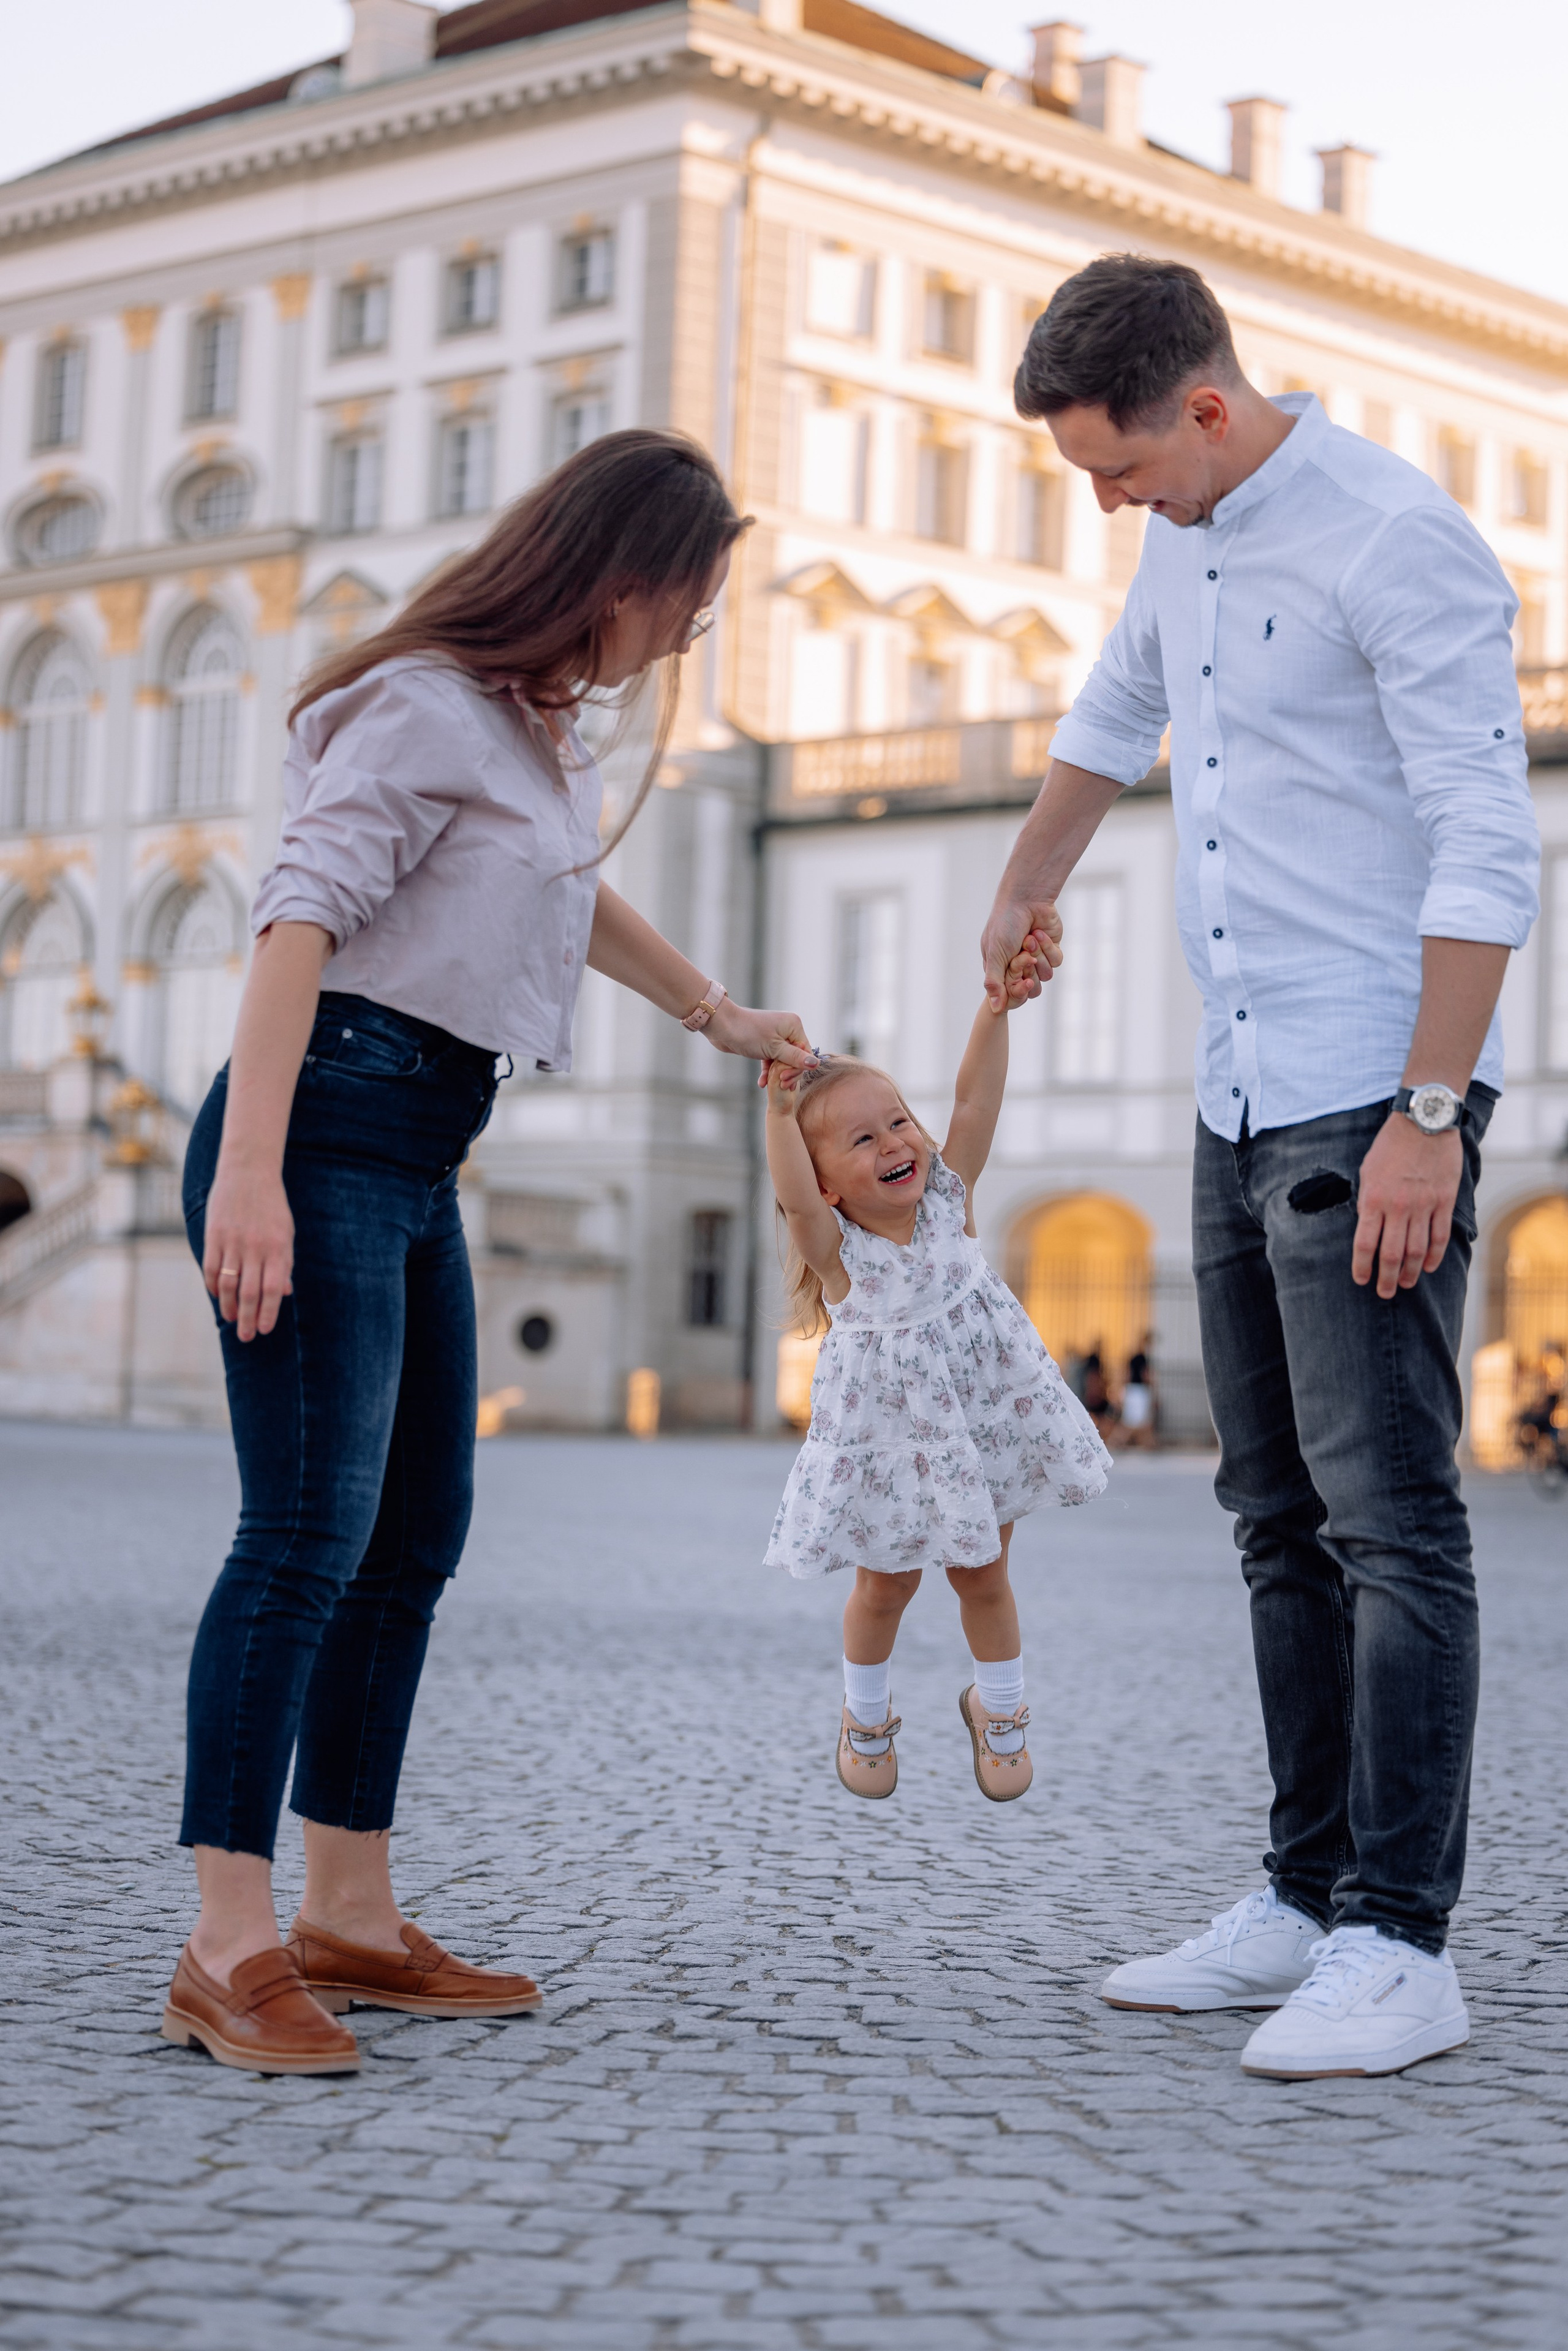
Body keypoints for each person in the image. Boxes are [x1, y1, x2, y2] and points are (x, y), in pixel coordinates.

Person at [165, 429, 813, 2077]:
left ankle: (349, 1911)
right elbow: (294, 921)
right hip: (314, 1133)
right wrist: (250, 1172)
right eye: (690, 602)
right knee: (304, 1534)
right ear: (621, 580)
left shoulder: (530, 729)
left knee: (413, 1538)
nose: (690, 637)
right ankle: (226, 1943)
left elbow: (569, 896)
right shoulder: (424, 705)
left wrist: (717, 1013)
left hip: (417, 1148)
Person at [982, 255, 1539, 2078]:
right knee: (1271, 1513)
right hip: (1233, 1095)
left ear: (1204, 409)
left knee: (1394, 1521)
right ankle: (1301, 1899)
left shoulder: (1403, 543)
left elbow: (1484, 842)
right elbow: (1108, 710)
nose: (1106, 503)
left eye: (1117, 471)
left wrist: (1430, 1115)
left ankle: (1403, 1935)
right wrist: (1025, 884)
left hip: (1370, 1090)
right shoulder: (1180, 537)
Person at [762, 999, 1111, 1802]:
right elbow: (793, 1196)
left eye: (897, 1122)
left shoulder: (951, 1202)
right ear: (828, 1183)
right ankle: (866, 1716)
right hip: (888, 1445)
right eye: (864, 1138)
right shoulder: (838, 1250)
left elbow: (976, 1100)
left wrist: (995, 1009)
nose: (894, 1143)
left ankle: (999, 1708)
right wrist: (781, 1110)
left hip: (981, 1428)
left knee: (984, 1573)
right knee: (886, 1586)